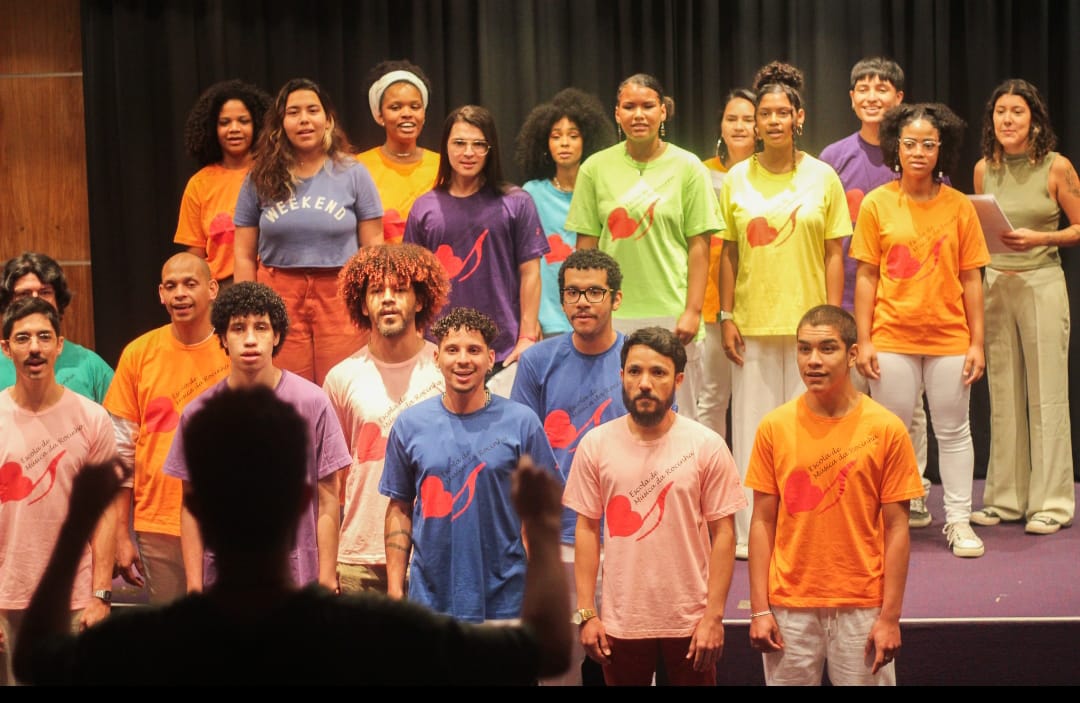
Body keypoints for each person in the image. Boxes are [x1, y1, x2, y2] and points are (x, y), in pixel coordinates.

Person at [12, 386, 572, 685]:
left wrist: (76, 528)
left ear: (199, 507)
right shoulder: (370, 631)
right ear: (304, 501)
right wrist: (544, 530)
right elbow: (546, 650)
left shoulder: (152, 641)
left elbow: (35, 660)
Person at [745, 305, 922, 686]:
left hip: (863, 605)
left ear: (853, 354)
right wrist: (759, 610)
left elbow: (897, 530)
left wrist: (890, 617)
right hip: (789, 606)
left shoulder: (886, 429)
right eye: (804, 349)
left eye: (827, 349)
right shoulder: (773, 427)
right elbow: (761, 522)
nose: (813, 361)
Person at [562, 326, 745, 686]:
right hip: (622, 622)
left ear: (678, 379)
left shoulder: (706, 445)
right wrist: (586, 613)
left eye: (658, 372)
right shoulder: (595, 445)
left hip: (691, 623)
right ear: (622, 376)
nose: (644, 383)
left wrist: (713, 616)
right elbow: (585, 529)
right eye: (635, 372)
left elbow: (724, 535)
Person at [718, 61, 850, 560]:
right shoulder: (735, 179)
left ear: (799, 117)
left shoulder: (823, 176)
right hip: (751, 324)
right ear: (753, 124)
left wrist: (834, 322)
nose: (772, 121)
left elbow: (836, 251)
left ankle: (808, 521)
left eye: (781, 113)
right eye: (763, 114)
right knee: (753, 431)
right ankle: (754, 529)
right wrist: (727, 317)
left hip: (810, 328)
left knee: (811, 428)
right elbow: (728, 252)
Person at [851, 103, 990, 558]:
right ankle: (889, 517)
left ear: (940, 150)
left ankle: (958, 521)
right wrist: (864, 338)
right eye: (910, 143)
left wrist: (977, 342)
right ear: (896, 147)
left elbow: (972, 277)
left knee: (953, 431)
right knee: (889, 434)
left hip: (949, 338)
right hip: (891, 337)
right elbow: (867, 276)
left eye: (928, 144)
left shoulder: (959, 207)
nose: (918, 152)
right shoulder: (876, 203)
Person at [163, 281, 350, 591]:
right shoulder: (198, 414)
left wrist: (327, 578)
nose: (250, 339)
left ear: (276, 335)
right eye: (238, 328)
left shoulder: (312, 402)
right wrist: (195, 586)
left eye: (261, 327)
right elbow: (191, 506)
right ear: (222, 337)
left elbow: (329, 498)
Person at [379, 307, 561, 623]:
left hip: (508, 602)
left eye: (474, 350)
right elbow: (400, 508)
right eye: (452, 350)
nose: (463, 359)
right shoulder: (409, 425)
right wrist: (395, 592)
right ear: (436, 357)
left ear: (491, 358)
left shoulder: (522, 423)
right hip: (429, 603)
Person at [818, 57, 934, 529]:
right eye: (862, 88)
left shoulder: (918, 153)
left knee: (909, 407)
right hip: (846, 296)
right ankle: (854, 487)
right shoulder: (833, 157)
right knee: (849, 400)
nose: (871, 96)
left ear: (899, 98)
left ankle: (916, 490)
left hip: (906, 304)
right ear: (850, 99)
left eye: (881, 88)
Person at [566, 73, 721, 422]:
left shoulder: (688, 167)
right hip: (612, 315)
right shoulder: (594, 168)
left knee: (680, 423)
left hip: (674, 313)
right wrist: (588, 306)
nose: (639, 114)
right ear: (617, 113)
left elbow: (700, 246)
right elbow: (585, 250)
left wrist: (693, 310)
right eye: (629, 106)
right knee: (614, 419)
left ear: (663, 112)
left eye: (648, 106)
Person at [510, 248, 627, 686]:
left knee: (629, 666)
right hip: (557, 537)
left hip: (625, 538)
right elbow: (519, 451)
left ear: (616, 299)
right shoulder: (538, 361)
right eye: (573, 292)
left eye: (594, 292)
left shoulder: (638, 358)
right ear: (561, 300)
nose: (582, 301)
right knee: (558, 669)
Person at [971, 79, 1080, 535]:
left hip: (1041, 281)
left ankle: (1052, 502)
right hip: (996, 283)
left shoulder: (1057, 167)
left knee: (1047, 394)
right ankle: (1005, 498)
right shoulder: (983, 169)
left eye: (1017, 111)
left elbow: (1079, 227)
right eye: (1000, 112)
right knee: (1003, 394)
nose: (1007, 120)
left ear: (1034, 118)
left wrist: (1041, 238)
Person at [234, 77, 384, 386]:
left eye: (312, 110)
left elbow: (373, 249)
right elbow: (244, 254)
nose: (304, 119)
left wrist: (373, 300)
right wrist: (247, 308)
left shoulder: (353, 172)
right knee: (283, 386)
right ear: (281, 122)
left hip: (341, 296)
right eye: (294, 112)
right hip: (277, 294)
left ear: (328, 119)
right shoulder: (258, 177)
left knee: (344, 384)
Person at [0, 297, 118, 685]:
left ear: (59, 344)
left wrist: (101, 593)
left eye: (43, 337)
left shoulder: (91, 417)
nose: (34, 347)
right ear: (6, 348)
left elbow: (104, 511)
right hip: (9, 597)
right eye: (22, 338)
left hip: (75, 596)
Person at [102, 253, 231, 603]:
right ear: (160, 294)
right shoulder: (138, 354)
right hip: (157, 523)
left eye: (190, 284)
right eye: (171, 286)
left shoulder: (236, 350)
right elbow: (120, 452)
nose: (180, 294)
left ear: (212, 288)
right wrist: (120, 534)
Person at [323, 244, 450, 594]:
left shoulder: (447, 369)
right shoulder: (341, 378)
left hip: (434, 554)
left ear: (420, 300)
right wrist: (327, 562)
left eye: (400, 290)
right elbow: (328, 482)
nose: (389, 299)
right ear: (363, 304)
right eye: (377, 291)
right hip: (359, 557)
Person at [404, 105, 548, 383]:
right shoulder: (424, 208)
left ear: (490, 149)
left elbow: (531, 272)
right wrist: (416, 337)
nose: (468, 152)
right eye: (459, 143)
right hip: (439, 351)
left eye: (478, 144)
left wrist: (527, 337)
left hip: (504, 352)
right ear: (445, 147)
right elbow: (412, 281)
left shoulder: (517, 202)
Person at [514, 87, 617, 338]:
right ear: (544, 143)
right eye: (556, 136)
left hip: (597, 316)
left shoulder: (604, 191)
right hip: (548, 320)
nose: (564, 143)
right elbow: (524, 263)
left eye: (573, 135)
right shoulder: (531, 194)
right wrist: (529, 319)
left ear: (587, 140)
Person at [698, 88, 756, 442]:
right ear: (721, 125)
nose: (739, 126)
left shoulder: (769, 173)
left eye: (748, 120)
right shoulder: (701, 172)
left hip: (754, 300)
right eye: (731, 119)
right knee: (712, 397)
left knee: (753, 399)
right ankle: (709, 477)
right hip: (709, 303)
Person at [173, 79, 272, 287]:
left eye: (243, 121)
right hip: (220, 292)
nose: (234, 129)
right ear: (211, 128)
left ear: (258, 125)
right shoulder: (199, 184)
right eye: (224, 122)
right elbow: (195, 258)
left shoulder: (274, 175)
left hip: (272, 285)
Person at [0, 253, 113, 403]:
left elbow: (117, 424)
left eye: (45, 292)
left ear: (58, 301)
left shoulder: (90, 365)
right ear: (8, 303)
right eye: (24, 294)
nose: (35, 300)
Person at [356, 60, 441, 244]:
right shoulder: (358, 167)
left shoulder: (443, 165)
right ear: (380, 116)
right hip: (378, 269)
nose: (407, 113)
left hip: (436, 270)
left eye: (415, 106)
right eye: (395, 107)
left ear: (424, 114)